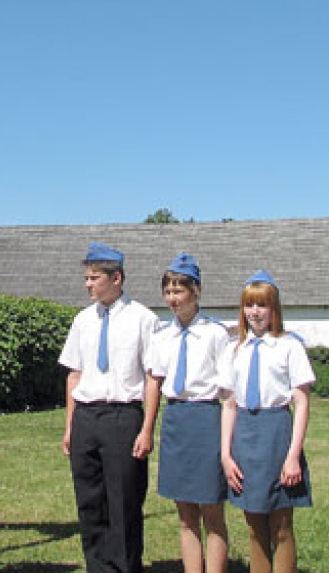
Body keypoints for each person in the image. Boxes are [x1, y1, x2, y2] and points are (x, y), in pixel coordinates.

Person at [59, 242, 161, 573]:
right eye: (86, 278)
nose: (87, 285)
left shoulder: (143, 319)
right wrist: (70, 426)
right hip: (87, 417)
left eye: (94, 278)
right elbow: (74, 374)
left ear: (116, 278)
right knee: (90, 501)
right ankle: (98, 566)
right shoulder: (82, 320)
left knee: (124, 501)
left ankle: (125, 566)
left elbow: (152, 377)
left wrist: (147, 429)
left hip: (123, 416)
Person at [218, 269, 314, 573]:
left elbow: (301, 402)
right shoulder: (234, 350)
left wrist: (293, 456)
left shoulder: (289, 346)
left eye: (262, 305)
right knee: (254, 524)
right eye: (249, 305)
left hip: (277, 434)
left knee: (281, 525)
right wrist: (226, 454)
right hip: (246, 435)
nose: (255, 312)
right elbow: (229, 404)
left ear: (274, 309)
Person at [148, 253, 231, 573]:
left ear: (196, 291)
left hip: (206, 419)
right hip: (176, 420)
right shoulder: (162, 336)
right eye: (168, 291)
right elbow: (155, 380)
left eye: (179, 291)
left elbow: (228, 391)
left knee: (212, 512)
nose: (173, 299)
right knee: (185, 515)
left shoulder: (215, 334)